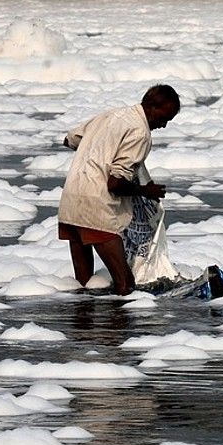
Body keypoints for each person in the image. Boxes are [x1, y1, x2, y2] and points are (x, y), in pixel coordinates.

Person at [58, 84, 181, 295]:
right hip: (97, 208)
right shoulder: (140, 132)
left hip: (70, 202)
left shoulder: (110, 116)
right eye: (164, 118)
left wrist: (99, 150)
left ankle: (81, 327)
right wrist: (145, 191)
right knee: (126, 285)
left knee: (84, 287)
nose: (163, 125)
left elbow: (70, 139)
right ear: (151, 106)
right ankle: (119, 328)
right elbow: (115, 184)